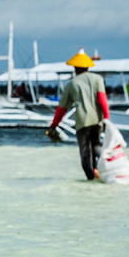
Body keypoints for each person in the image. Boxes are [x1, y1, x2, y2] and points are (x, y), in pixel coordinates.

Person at [46, 51, 109, 181]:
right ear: (88, 66)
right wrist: (106, 118)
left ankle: (91, 179)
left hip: (82, 122)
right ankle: (100, 171)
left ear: (75, 68)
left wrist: (53, 126)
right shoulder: (98, 79)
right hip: (98, 120)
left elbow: (62, 109)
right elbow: (102, 100)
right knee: (97, 146)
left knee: (85, 152)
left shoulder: (72, 84)